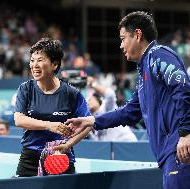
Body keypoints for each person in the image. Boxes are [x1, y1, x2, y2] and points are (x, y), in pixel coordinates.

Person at [65, 11, 190, 189]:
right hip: (169, 154)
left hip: (180, 149)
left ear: (138, 35)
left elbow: (184, 90)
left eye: (123, 38)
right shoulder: (143, 72)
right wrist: (92, 121)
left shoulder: (159, 56)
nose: (121, 45)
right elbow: (129, 112)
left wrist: (186, 133)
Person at [14, 38, 91, 177]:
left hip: (60, 157)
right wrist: (50, 125)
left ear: (54, 64)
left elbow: (88, 124)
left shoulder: (71, 93)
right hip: (30, 158)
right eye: (32, 60)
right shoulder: (25, 89)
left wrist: (68, 145)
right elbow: (19, 120)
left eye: (40, 60)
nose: (34, 65)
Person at [87, 77, 137, 141]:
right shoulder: (89, 118)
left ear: (98, 100)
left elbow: (110, 94)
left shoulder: (107, 107)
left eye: (90, 99)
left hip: (127, 143)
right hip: (110, 148)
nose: (88, 102)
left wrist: (93, 84)